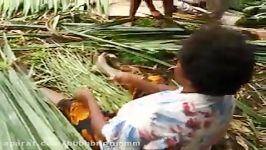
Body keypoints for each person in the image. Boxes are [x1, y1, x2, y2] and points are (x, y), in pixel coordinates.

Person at [41, 25, 255, 150]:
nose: (174, 63)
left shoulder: (148, 119)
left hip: (120, 139)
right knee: (152, 81)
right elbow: (174, 94)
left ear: (186, 74)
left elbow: (107, 136)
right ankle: (112, 71)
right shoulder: (225, 98)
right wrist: (137, 82)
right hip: (191, 137)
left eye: (179, 60)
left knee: (82, 112)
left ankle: (58, 100)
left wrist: (89, 98)